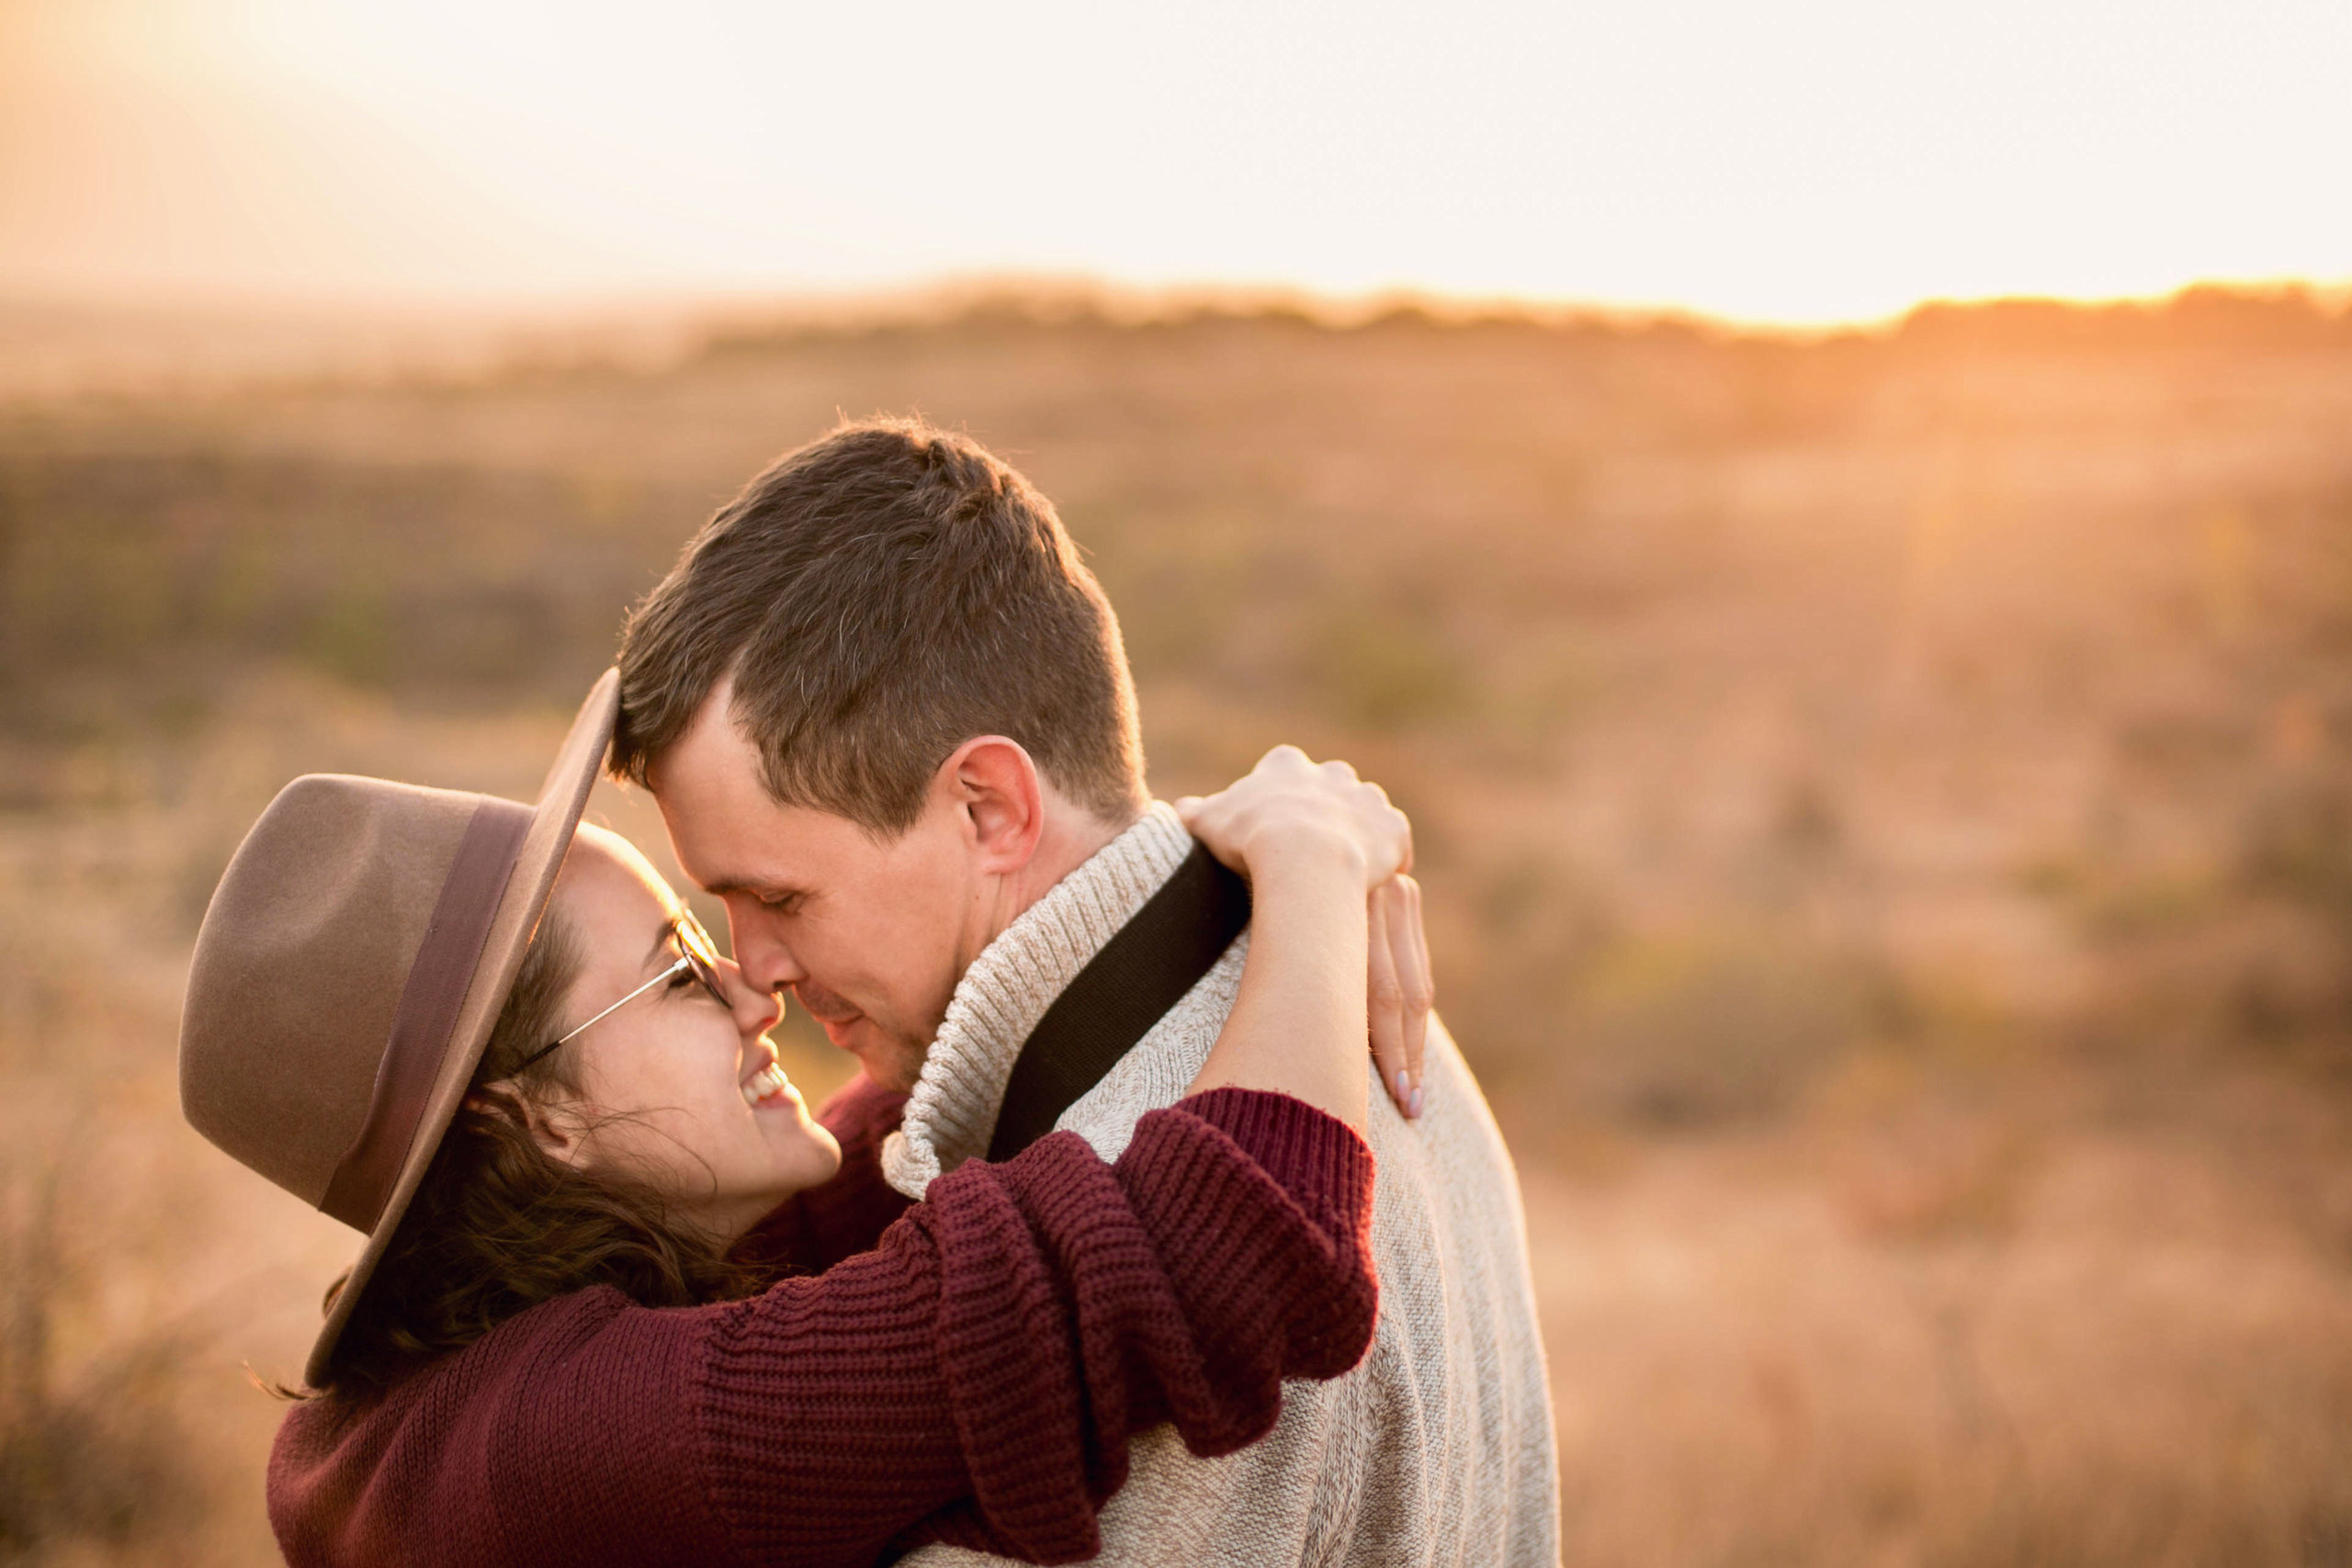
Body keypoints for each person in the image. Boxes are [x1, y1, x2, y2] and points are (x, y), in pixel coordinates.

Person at [178, 671, 1427, 1566]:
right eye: (675, 970)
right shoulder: (570, 1451)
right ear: (536, 1122)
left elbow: (913, 1128)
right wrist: (1313, 865)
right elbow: (1232, 1257)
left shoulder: (508, 1346)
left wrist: (1161, 852)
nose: (752, 986)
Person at [612, 417, 1560, 1566]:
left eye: (781, 898)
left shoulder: (1141, 1313)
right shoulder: (1327, 983)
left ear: (990, 809)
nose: (749, 968)